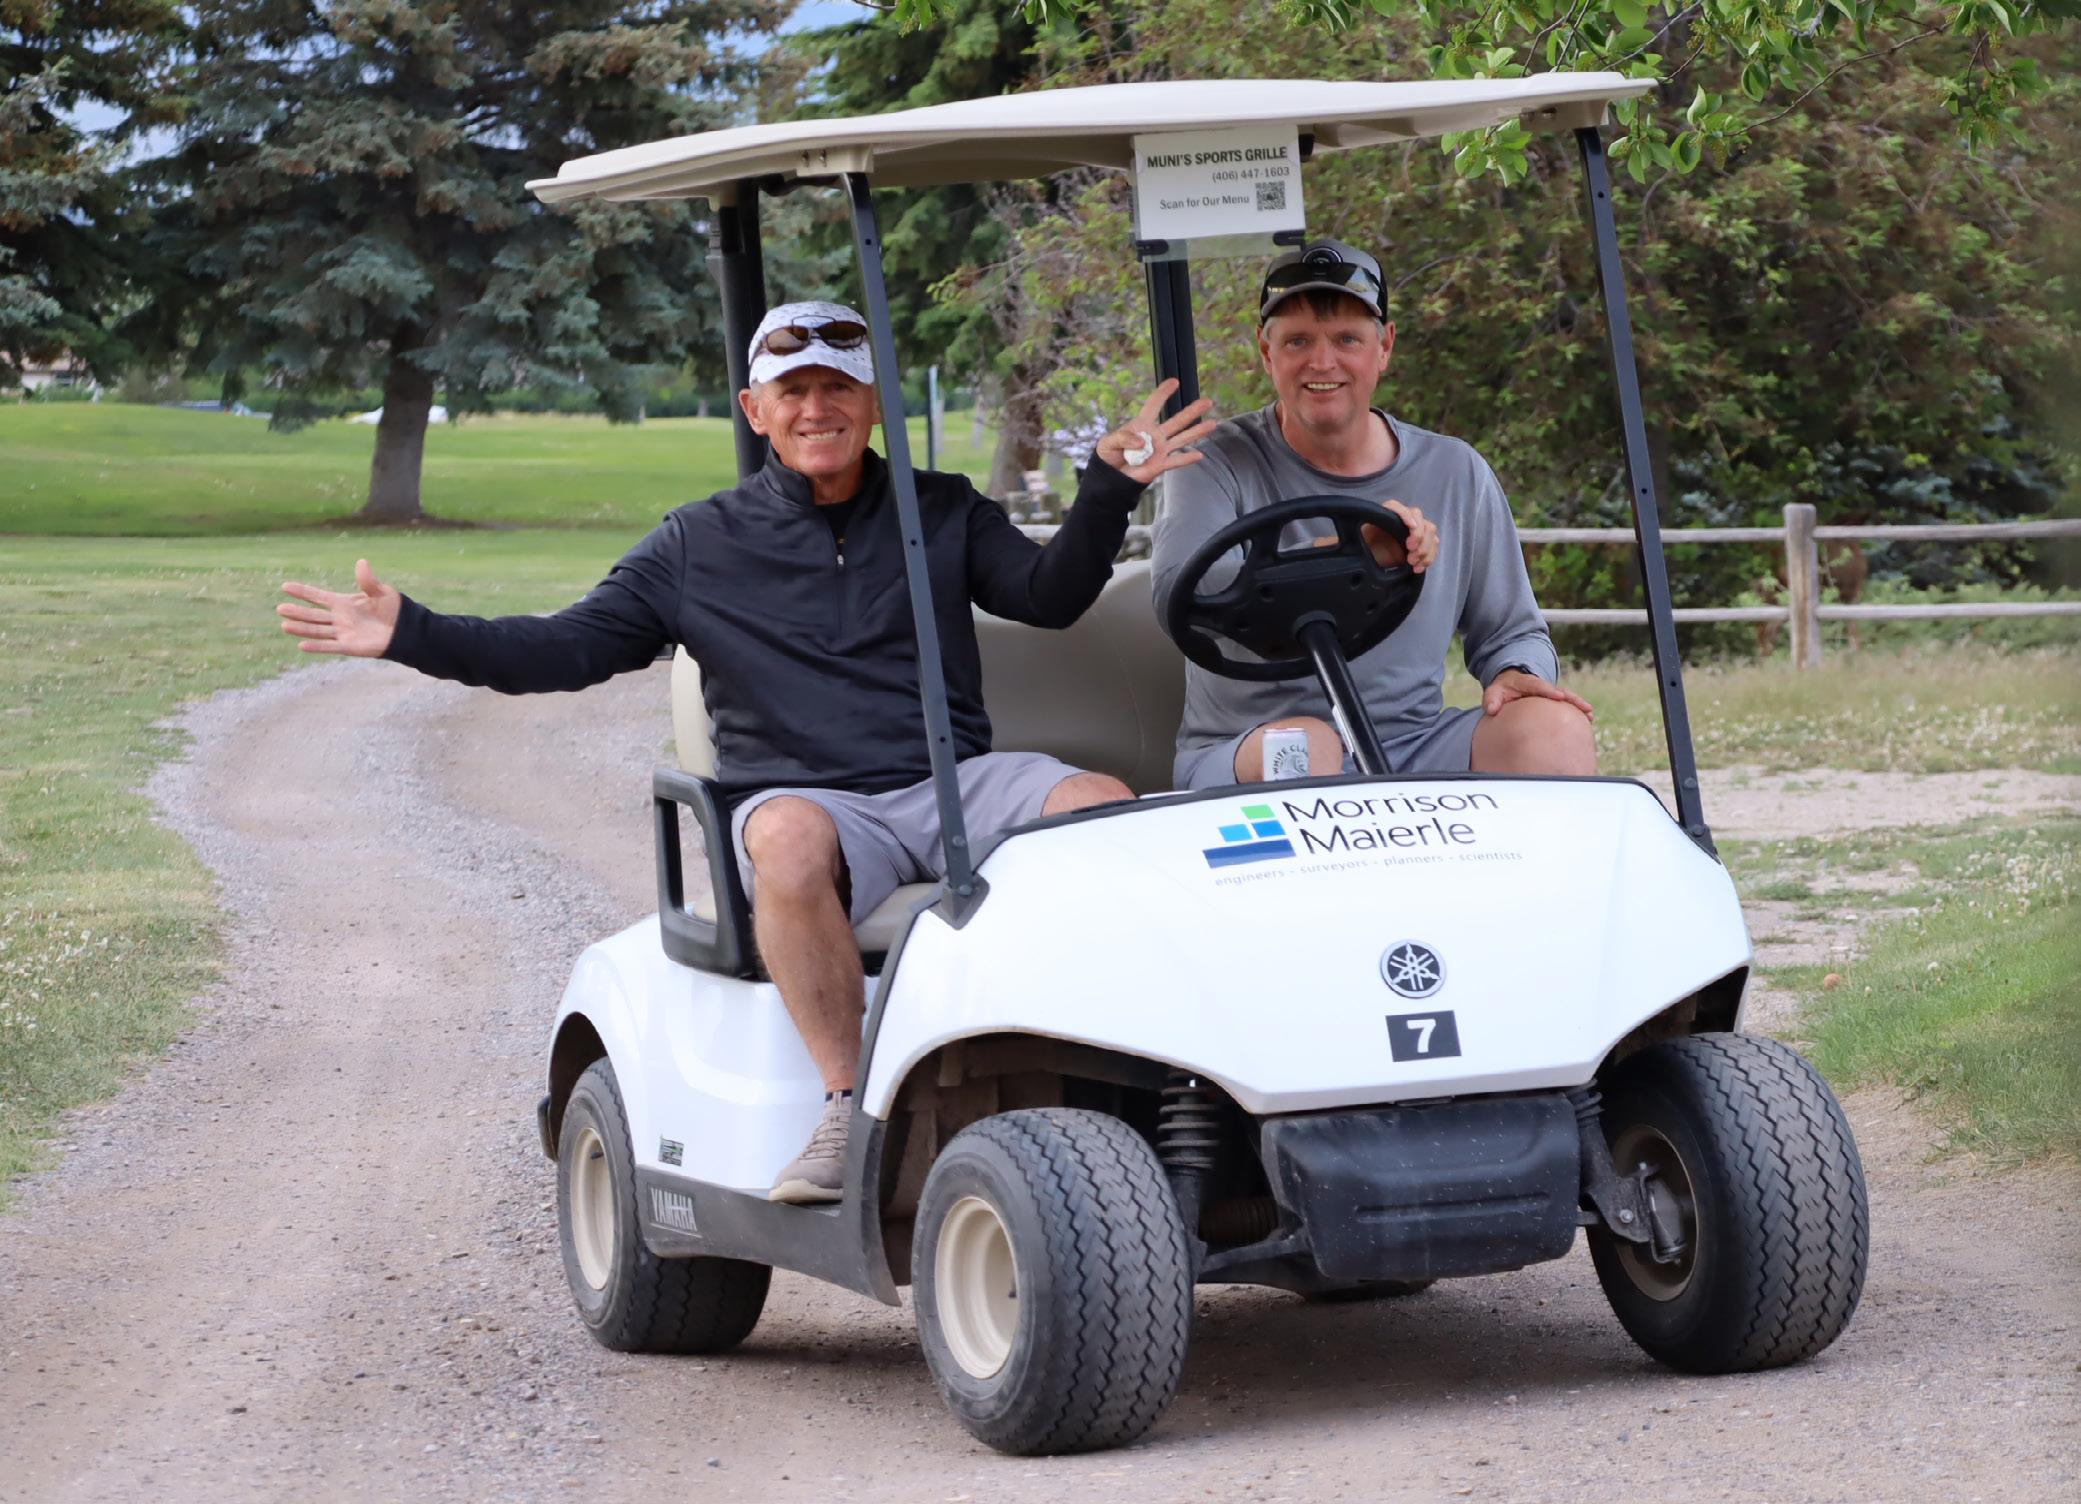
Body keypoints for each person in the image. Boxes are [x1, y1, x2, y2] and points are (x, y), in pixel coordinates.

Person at [277, 300, 1215, 1203]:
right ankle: (848, 1109)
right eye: (792, 391)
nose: (816, 409)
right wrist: (412, 633)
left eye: (838, 387)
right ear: (754, 410)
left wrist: (1107, 489)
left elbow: (1048, 597)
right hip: (809, 802)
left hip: (950, 782)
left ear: (873, 402)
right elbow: (565, 649)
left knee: (1097, 805)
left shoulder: (940, 509)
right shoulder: (698, 542)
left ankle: (1134, 1079)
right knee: (785, 839)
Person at [1151, 240, 1594, 788]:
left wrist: (1516, 671)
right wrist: (1357, 558)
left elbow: (1512, 629)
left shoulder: (1455, 471)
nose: (1322, 362)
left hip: (1411, 741)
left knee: (1556, 728)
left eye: (1347, 340)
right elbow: (1181, 592)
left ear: (1384, 347)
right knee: (1307, 748)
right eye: (1298, 341)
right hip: (1255, 744)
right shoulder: (1210, 461)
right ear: (1267, 352)